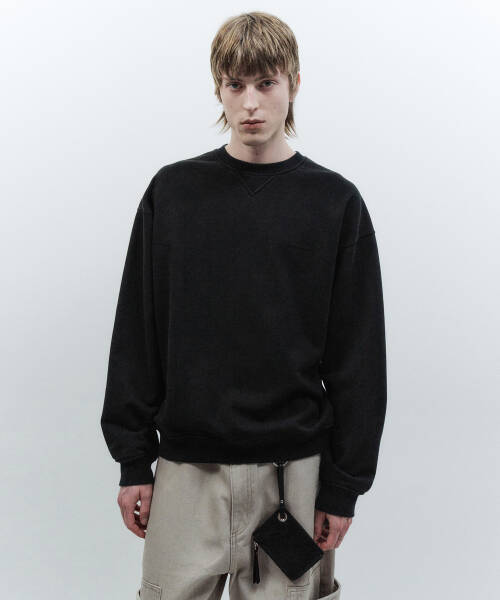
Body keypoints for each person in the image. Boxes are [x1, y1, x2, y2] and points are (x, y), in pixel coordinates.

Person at [100, 11, 386, 600]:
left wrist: (343, 487)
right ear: (219, 89)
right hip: (186, 474)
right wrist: (133, 460)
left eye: (266, 82)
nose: (251, 102)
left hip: (294, 478)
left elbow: (358, 356)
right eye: (236, 85)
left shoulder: (334, 202)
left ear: (294, 83)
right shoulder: (174, 193)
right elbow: (138, 332)